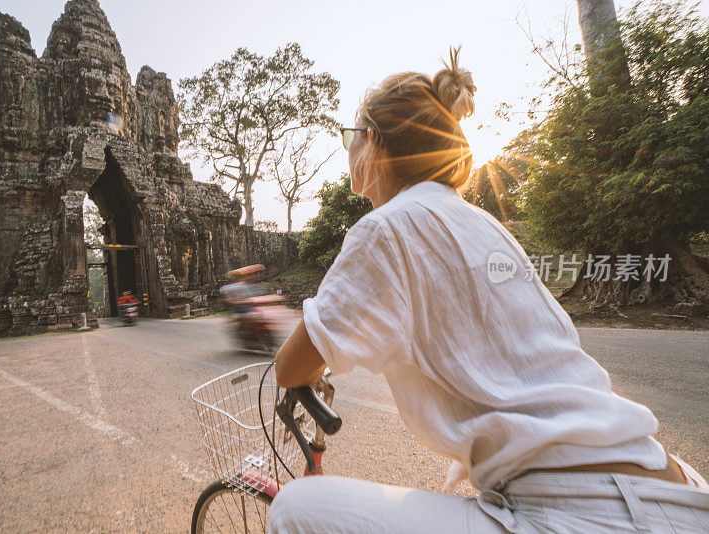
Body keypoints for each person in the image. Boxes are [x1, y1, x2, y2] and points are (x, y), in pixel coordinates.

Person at [269, 48, 709, 533]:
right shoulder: (481, 223)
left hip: (578, 513)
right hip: (673, 489)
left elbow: (290, 366)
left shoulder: (386, 229)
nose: (349, 147)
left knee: (295, 507)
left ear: (373, 142)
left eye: (352, 135)